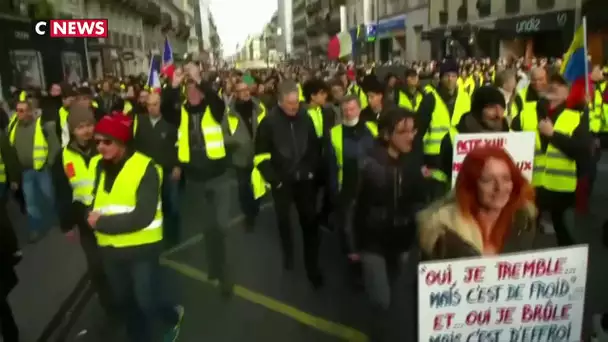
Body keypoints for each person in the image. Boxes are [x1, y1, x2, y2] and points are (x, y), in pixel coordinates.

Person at [86, 113, 183, 342]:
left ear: (120, 141)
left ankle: (171, 316)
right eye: (97, 142)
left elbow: (143, 216)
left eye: (106, 141)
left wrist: (100, 223)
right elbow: (93, 201)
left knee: (146, 299)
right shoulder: (97, 166)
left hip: (142, 248)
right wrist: (88, 214)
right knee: (125, 301)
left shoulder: (146, 168)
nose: (100, 147)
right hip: (110, 250)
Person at [347, 107, 428, 341]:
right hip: (372, 242)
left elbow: (418, 200)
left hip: (402, 241)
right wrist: (352, 246)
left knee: (397, 295)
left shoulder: (413, 160)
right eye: (403, 131)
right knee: (381, 300)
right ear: (386, 134)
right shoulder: (367, 163)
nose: (410, 136)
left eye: (413, 131)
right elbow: (350, 206)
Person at [163, 63, 234, 295]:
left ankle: (224, 273)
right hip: (195, 179)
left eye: (194, 86)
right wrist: (173, 85)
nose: (191, 90)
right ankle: (214, 266)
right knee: (207, 228)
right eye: (188, 86)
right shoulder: (181, 111)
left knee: (221, 227)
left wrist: (199, 78)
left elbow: (218, 104)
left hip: (218, 176)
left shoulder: (212, 107)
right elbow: (165, 110)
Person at [253, 80, 324, 288]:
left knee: (310, 224)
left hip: (304, 181)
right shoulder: (268, 122)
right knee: (284, 222)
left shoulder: (306, 117)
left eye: (297, 103)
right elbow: (260, 157)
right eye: (290, 104)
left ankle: (313, 268)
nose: (295, 107)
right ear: (280, 101)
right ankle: (288, 255)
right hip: (282, 182)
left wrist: (311, 170)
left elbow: (314, 146)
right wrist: (275, 181)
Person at [418, 146, 536, 260]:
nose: (499, 188)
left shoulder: (523, 222)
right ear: (471, 185)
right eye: (488, 180)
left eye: (506, 178)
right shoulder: (443, 233)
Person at [51, 105, 113, 315]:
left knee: (116, 262)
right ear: (73, 130)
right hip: (84, 220)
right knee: (96, 266)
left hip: (110, 216)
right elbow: (62, 193)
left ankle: (124, 297)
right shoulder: (63, 157)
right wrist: (66, 224)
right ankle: (108, 304)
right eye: (80, 127)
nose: (86, 131)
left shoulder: (105, 147)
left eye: (88, 125)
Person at [7, 99, 60, 242]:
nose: (19, 114)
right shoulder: (13, 127)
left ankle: (62, 219)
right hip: (25, 172)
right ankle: (35, 229)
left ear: (30, 112)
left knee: (50, 196)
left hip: (41, 169)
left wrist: (49, 163)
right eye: (17, 110)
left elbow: (54, 146)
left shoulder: (40, 126)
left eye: (22, 110)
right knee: (31, 203)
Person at [132, 93, 181, 247]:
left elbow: (179, 148)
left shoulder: (170, 126)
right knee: (149, 205)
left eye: (155, 104)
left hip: (167, 173)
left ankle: (173, 237)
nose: (152, 108)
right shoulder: (139, 123)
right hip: (146, 174)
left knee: (171, 206)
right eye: (149, 104)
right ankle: (154, 237)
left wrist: (178, 166)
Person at [439, 85, 509, 182]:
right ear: (477, 111)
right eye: (491, 108)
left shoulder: (512, 138)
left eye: (501, 108)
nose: (498, 114)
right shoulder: (452, 138)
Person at [223, 80, 266, 231]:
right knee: (243, 189)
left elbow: (267, 127)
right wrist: (236, 141)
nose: (246, 92)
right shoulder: (229, 113)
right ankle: (249, 215)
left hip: (258, 155)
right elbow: (223, 136)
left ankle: (254, 209)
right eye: (241, 90)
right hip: (240, 158)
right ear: (236, 94)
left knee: (258, 186)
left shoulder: (259, 107)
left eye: (247, 89)